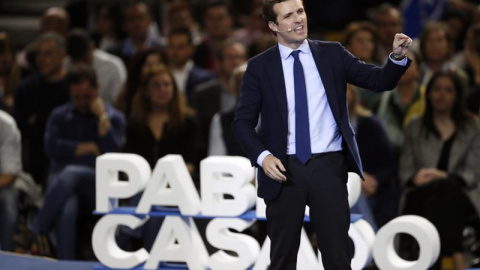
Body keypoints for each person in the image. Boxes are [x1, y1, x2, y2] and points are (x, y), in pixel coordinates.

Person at [231, 0, 412, 269]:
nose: (298, 20)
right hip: (282, 169)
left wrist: (396, 57)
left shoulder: (332, 54)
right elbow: (242, 123)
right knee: (282, 258)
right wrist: (263, 157)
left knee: (338, 256)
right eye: (289, 15)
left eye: (300, 12)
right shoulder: (259, 67)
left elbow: (379, 81)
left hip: (328, 166)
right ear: (273, 25)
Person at [32, 64, 126, 259]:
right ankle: (67, 263)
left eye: (87, 97)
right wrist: (85, 147)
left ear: (97, 88)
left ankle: (37, 227)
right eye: (76, 97)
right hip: (61, 183)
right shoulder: (59, 115)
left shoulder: (114, 118)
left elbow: (112, 156)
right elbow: (50, 147)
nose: (82, 102)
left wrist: (102, 120)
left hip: (97, 183)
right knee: (68, 205)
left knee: (71, 173)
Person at [398, 71, 480, 270]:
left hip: (461, 195)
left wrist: (441, 176)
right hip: (420, 193)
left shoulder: (471, 127)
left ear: (456, 96)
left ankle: (432, 260)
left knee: (443, 195)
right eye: (436, 89)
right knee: (440, 193)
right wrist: (421, 177)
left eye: (448, 90)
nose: (441, 95)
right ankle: (457, 254)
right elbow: (405, 172)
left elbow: (473, 173)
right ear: (428, 94)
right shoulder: (414, 127)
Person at [14, 33, 70, 188]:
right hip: (35, 153)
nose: (41, 59)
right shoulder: (26, 87)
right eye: (38, 54)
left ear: (62, 55)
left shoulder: (73, 86)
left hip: (67, 154)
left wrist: (38, 120)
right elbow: (22, 126)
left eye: (48, 53)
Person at [66, 28, 127, 106]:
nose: (81, 64)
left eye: (84, 59)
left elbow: (118, 102)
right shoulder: (66, 63)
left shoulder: (113, 66)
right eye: (76, 61)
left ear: (92, 47)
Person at [0, 109, 21, 251]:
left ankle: (8, 258)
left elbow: (9, 174)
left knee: (8, 199)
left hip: (3, 184)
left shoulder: (5, 125)